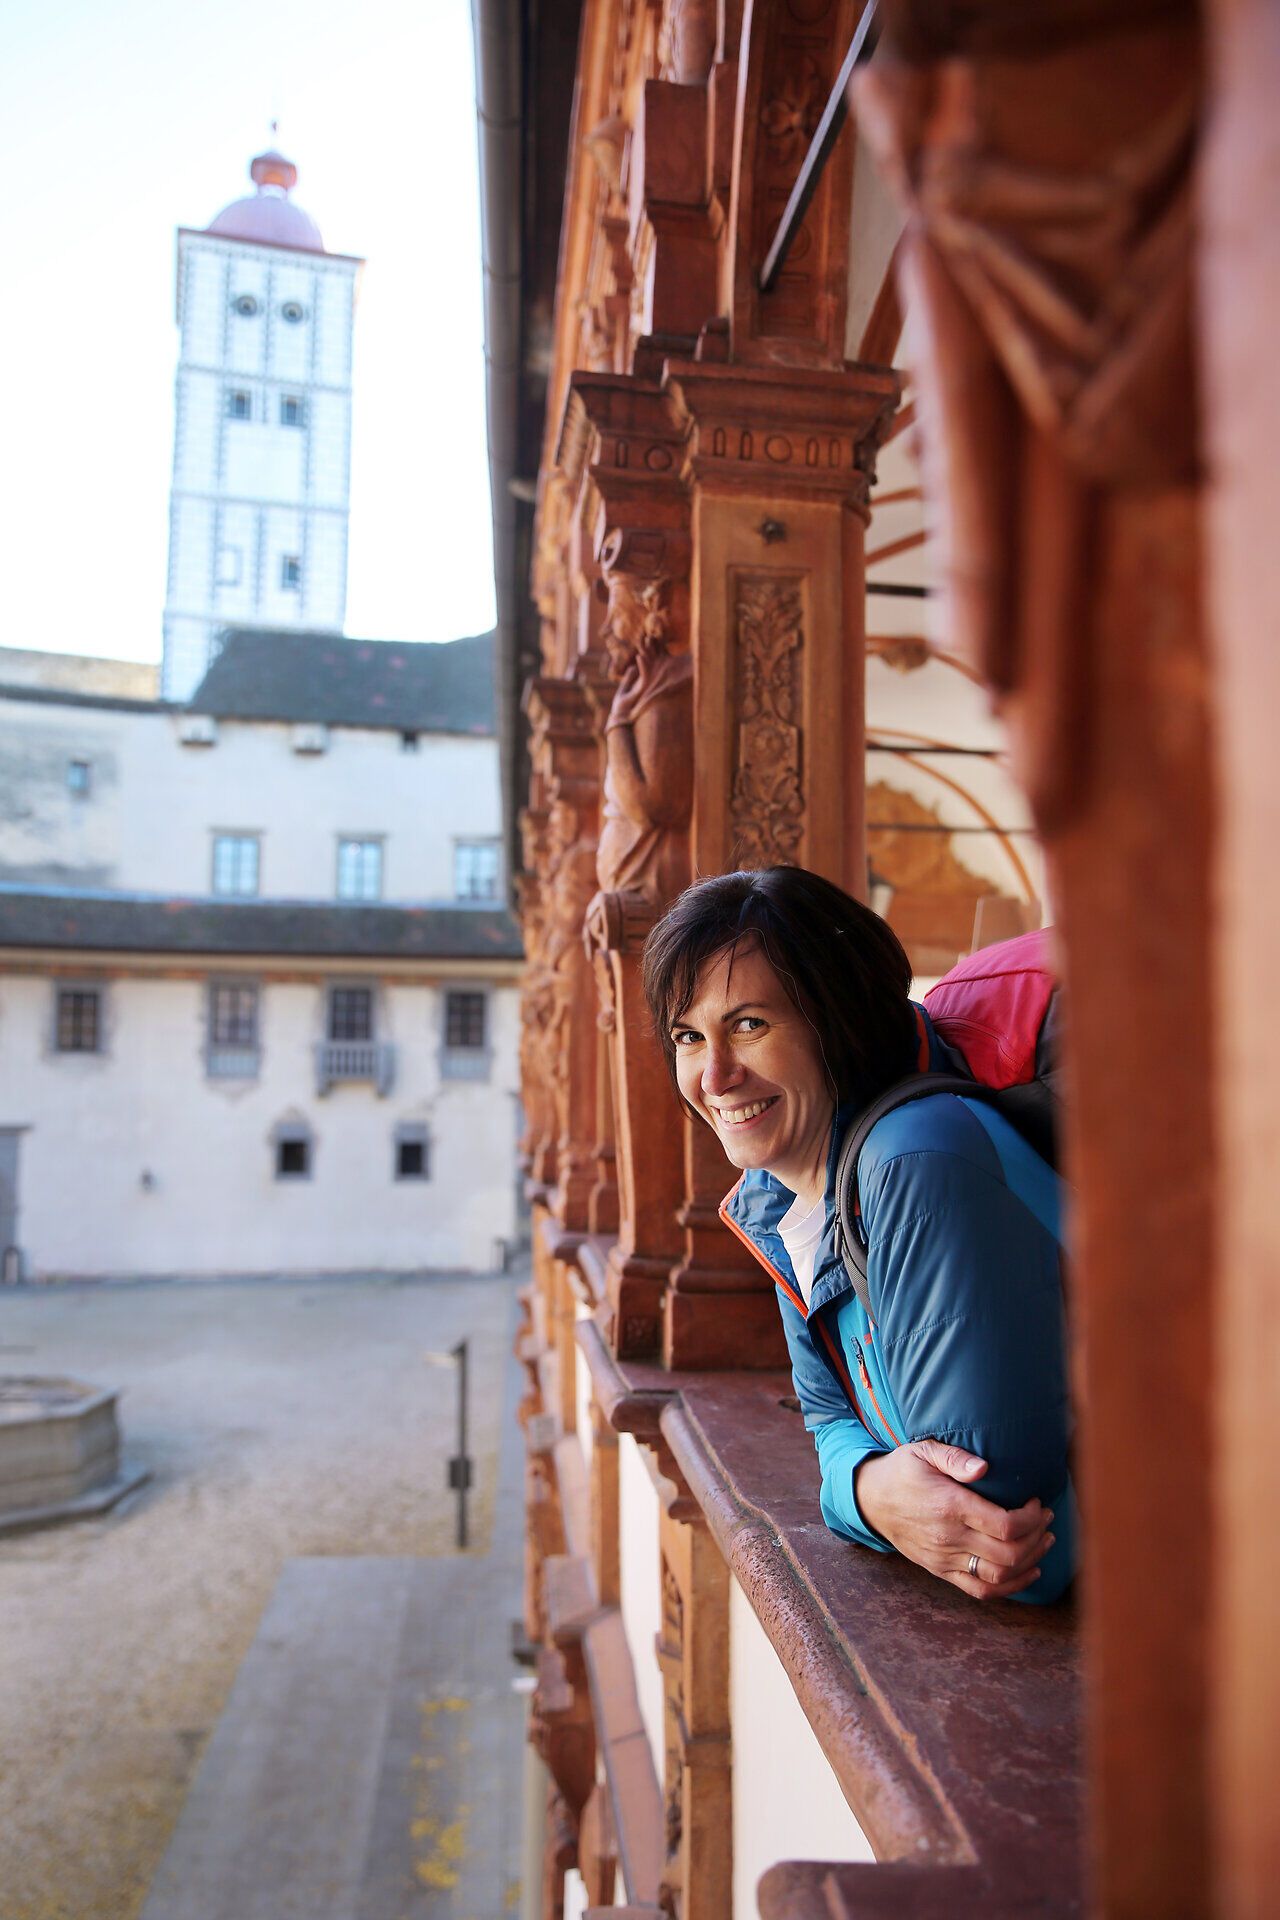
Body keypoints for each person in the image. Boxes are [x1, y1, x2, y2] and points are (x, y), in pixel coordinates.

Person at [641, 866, 1076, 1604]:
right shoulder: (786, 1197)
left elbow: (1003, 1540)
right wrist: (868, 1490)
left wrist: (855, 1484)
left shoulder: (914, 1157)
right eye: (688, 1036)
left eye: (749, 1024)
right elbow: (826, 1418)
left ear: (835, 1020)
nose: (713, 1076)